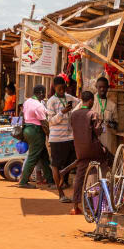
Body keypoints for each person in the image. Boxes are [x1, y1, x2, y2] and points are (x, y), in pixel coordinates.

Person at [69, 90, 113, 215]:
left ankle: (75, 206)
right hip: (93, 149)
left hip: (79, 150)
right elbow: (98, 132)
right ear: (90, 101)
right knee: (105, 162)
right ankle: (102, 202)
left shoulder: (74, 114)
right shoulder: (93, 114)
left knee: (79, 176)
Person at [46, 75, 80, 203]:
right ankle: (60, 194)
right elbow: (51, 121)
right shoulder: (51, 101)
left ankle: (63, 175)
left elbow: (80, 102)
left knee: (76, 160)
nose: (62, 91)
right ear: (54, 88)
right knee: (55, 165)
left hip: (69, 137)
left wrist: (74, 111)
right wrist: (63, 112)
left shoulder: (69, 97)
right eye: (59, 89)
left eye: (63, 88)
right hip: (56, 138)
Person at [17, 84, 54, 189]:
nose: (45, 95)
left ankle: (50, 180)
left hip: (27, 129)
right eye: (44, 93)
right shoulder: (38, 105)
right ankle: (23, 181)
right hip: (36, 132)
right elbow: (44, 123)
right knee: (33, 157)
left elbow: (22, 116)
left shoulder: (27, 102)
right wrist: (49, 136)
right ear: (41, 93)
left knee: (44, 157)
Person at [91, 75, 119, 155]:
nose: (102, 89)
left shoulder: (112, 105)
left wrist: (109, 124)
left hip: (107, 138)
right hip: (93, 137)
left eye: (104, 87)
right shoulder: (91, 101)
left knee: (106, 160)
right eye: (100, 87)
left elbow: (116, 124)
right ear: (96, 87)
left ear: (108, 87)